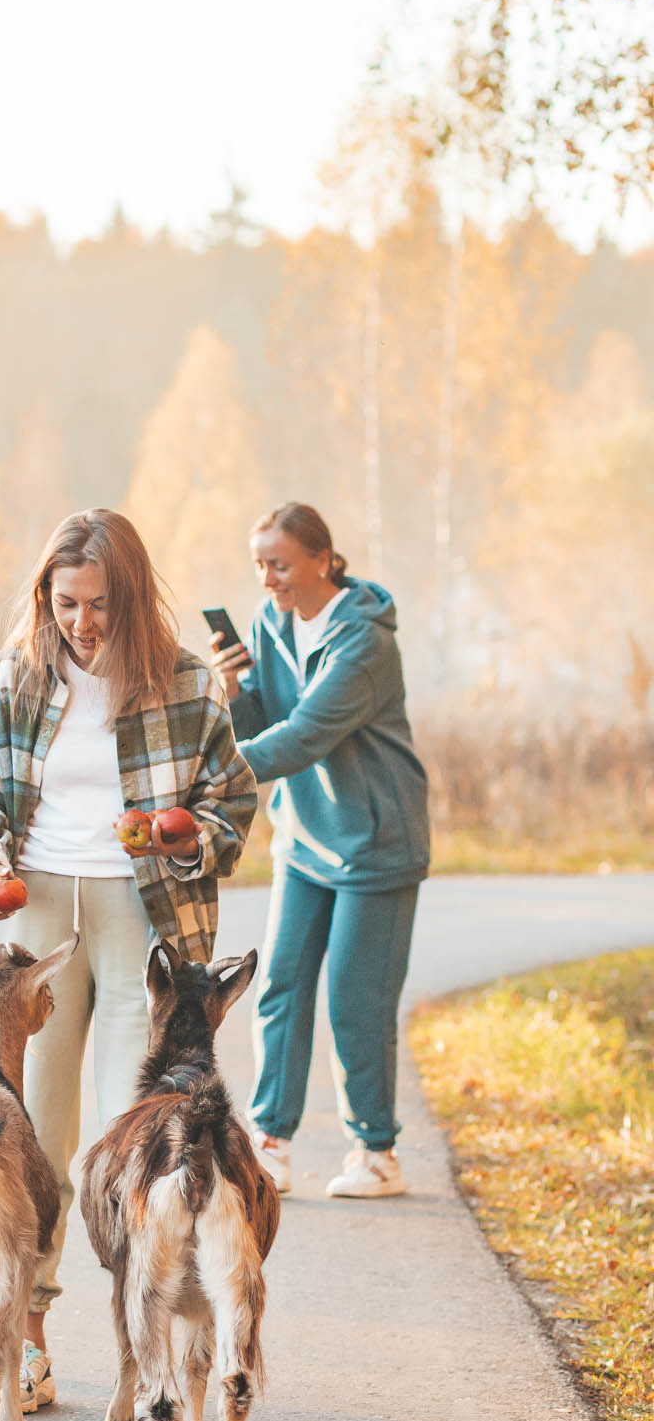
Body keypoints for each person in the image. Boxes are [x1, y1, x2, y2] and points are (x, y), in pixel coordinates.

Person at [0, 508, 256, 1410]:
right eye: (67, 603)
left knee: (131, 1139)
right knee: (29, 1139)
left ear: (134, 597)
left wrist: (185, 835)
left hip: (146, 927)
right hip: (34, 922)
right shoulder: (9, 683)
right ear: (45, 598)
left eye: (102, 604)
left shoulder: (187, 686)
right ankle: (26, 1338)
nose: (83, 622)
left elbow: (234, 801)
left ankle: (147, 1349)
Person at [207, 501, 430, 1201]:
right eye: (259, 566)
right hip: (304, 836)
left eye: (278, 564)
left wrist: (209, 777)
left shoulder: (365, 642)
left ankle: (377, 1152)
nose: (268, 579)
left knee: (355, 1001)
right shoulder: (273, 622)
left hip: (376, 841)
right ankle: (270, 1145)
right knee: (279, 985)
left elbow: (303, 737)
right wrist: (235, 688)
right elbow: (268, 724)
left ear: (322, 560)